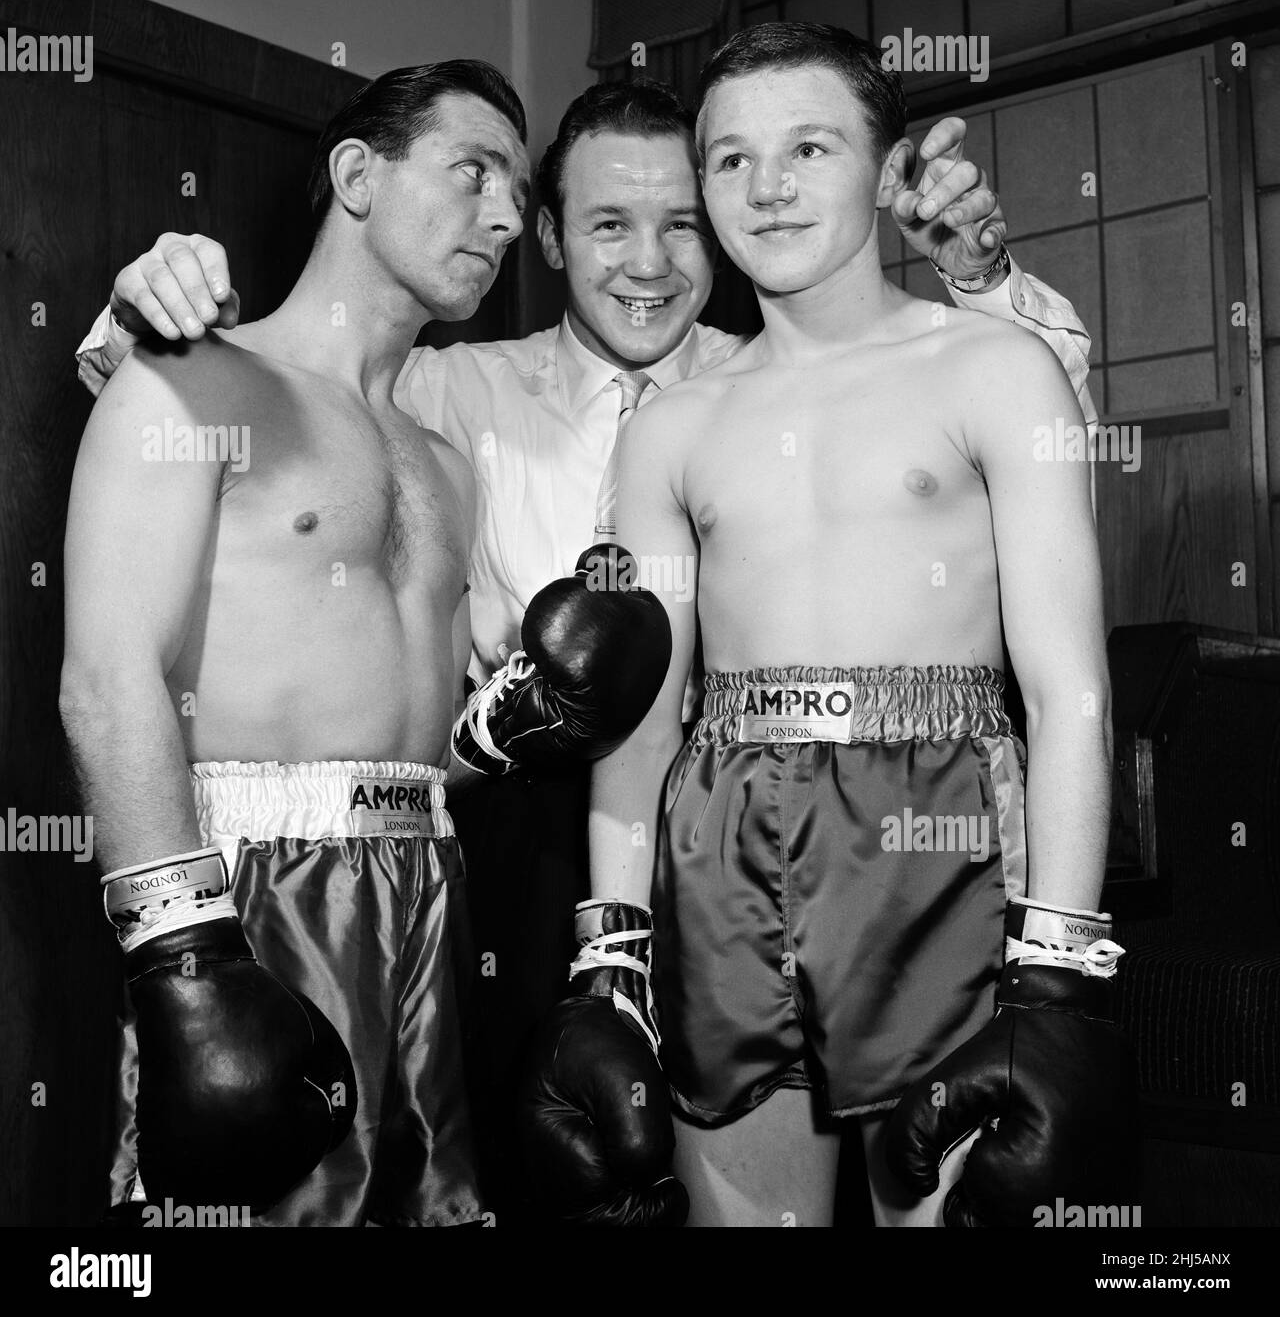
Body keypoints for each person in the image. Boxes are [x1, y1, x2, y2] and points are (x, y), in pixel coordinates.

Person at [75, 77, 1094, 1215]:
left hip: (757, 825)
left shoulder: (775, 375)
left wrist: (977, 279)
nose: (647, 262)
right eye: (607, 222)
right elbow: (230, 426)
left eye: (681, 224)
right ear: (554, 239)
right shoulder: (449, 388)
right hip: (508, 851)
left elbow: (1035, 430)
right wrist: (134, 313)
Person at [521, 23, 1138, 1227]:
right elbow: (640, 720)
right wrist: (610, 962)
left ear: (885, 165)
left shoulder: (995, 368)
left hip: (944, 830)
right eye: (729, 157)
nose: (767, 186)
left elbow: (1071, 691)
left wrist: (1058, 977)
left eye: (808, 147)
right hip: (722, 839)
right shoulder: (671, 426)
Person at [60, 60, 669, 1227]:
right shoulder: (190, 377)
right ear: (355, 175)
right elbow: (104, 680)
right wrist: (182, 957)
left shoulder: (440, 462)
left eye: (514, 189)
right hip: (248, 893)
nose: (504, 218)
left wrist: (507, 728)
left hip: (425, 889)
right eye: (472, 170)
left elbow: (416, 737)